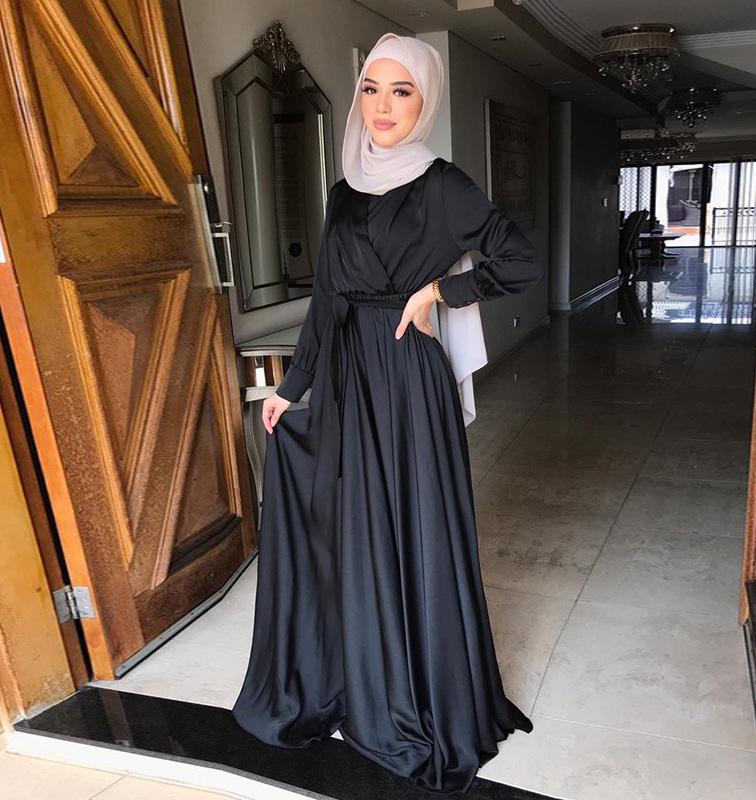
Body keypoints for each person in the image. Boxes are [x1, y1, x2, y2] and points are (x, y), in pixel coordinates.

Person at [232, 32, 544, 795]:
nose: (381, 106)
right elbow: (328, 298)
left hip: (406, 375)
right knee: (356, 528)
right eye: (371, 88)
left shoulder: (442, 185)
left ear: (424, 101)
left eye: (401, 91)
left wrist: (441, 292)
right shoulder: (344, 189)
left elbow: (520, 260)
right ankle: (363, 677)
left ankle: (418, 695)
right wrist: (292, 387)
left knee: (415, 527)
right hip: (347, 375)